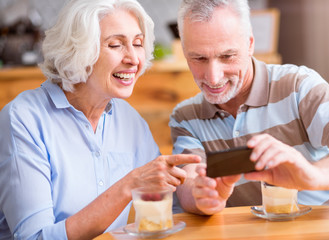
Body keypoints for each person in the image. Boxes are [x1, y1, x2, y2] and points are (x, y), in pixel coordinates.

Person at [0, 0, 201, 239]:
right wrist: (128, 186)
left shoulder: (130, 120)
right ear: (77, 50)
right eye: (115, 45)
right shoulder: (24, 119)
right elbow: (34, 237)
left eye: (137, 44)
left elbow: (170, 208)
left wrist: (200, 191)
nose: (134, 58)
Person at [170, 0, 329, 216]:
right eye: (199, 58)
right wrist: (204, 197)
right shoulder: (184, 117)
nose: (213, 77)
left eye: (227, 56)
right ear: (184, 52)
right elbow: (188, 185)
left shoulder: (298, 85)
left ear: (250, 44)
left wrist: (312, 175)